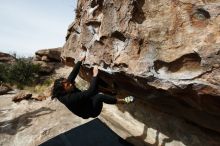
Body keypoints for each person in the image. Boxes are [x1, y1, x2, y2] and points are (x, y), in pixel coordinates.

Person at [51, 55, 134, 119]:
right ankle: (122, 101)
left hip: (85, 103)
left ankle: (111, 93)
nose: (71, 84)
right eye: (68, 85)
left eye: (69, 83)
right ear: (63, 90)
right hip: (91, 111)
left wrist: (80, 61)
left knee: (96, 88)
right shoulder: (69, 99)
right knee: (99, 96)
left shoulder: (65, 88)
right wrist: (95, 75)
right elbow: (91, 91)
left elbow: (72, 75)